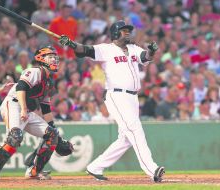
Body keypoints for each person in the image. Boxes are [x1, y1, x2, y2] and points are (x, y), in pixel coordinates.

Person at [59, 20, 165, 182]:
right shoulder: (106, 49)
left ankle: (95, 167)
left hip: (133, 97)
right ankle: (152, 169)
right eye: (124, 30)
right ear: (115, 33)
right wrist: (71, 44)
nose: (128, 32)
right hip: (117, 95)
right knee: (135, 130)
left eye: (129, 30)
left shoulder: (133, 48)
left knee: (126, 138)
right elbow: (85, 50)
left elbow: (145, 57)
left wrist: (151, 51)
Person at [0, 46, 60, 181]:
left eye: (55, 57)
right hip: (14, 104)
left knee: (52, 135)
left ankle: (34, 171)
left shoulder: (49, 81)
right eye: (51, 56)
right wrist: (24, 109)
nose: (54, 59)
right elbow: (21, 87)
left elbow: (46, 108)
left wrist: (57, 137)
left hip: (27, 110)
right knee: (15, 137)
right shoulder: (35, 71)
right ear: (41, 59)